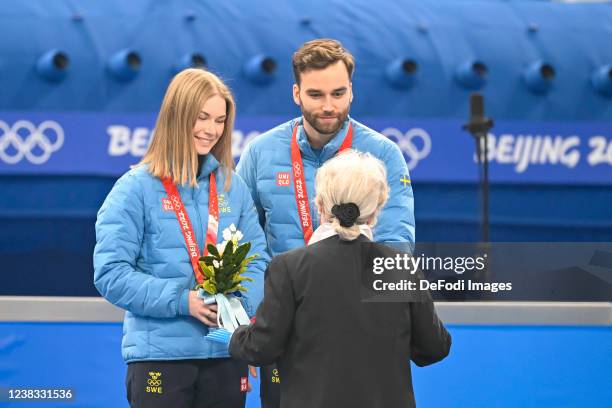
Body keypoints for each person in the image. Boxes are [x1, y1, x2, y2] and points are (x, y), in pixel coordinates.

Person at [236, 38, 416, 406]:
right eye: (316, 95)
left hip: (359, 328)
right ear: (296, 93)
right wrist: (260, 318)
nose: (329, 106)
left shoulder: (383, 153)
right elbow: (242, 242)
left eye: (338, 93)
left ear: (352, 91)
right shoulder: (261, 153)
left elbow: (396, 245)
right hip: (285, 333)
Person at [93, 68, 269, 408]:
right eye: (201, 117)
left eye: (219, 121)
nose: (210, 130)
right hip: (159, 358)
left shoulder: (234, 187)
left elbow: (258, 261)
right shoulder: (134, 189)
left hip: (225, 351)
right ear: (177, 116)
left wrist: (239, 311)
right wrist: (182, 300)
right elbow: (111, 273)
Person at [229, 150, 451, 408]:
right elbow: (434, 348)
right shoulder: (401, 267)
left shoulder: (289, 267)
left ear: (320, 205)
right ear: (376, 210)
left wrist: (234, 336)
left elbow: (261, 348)